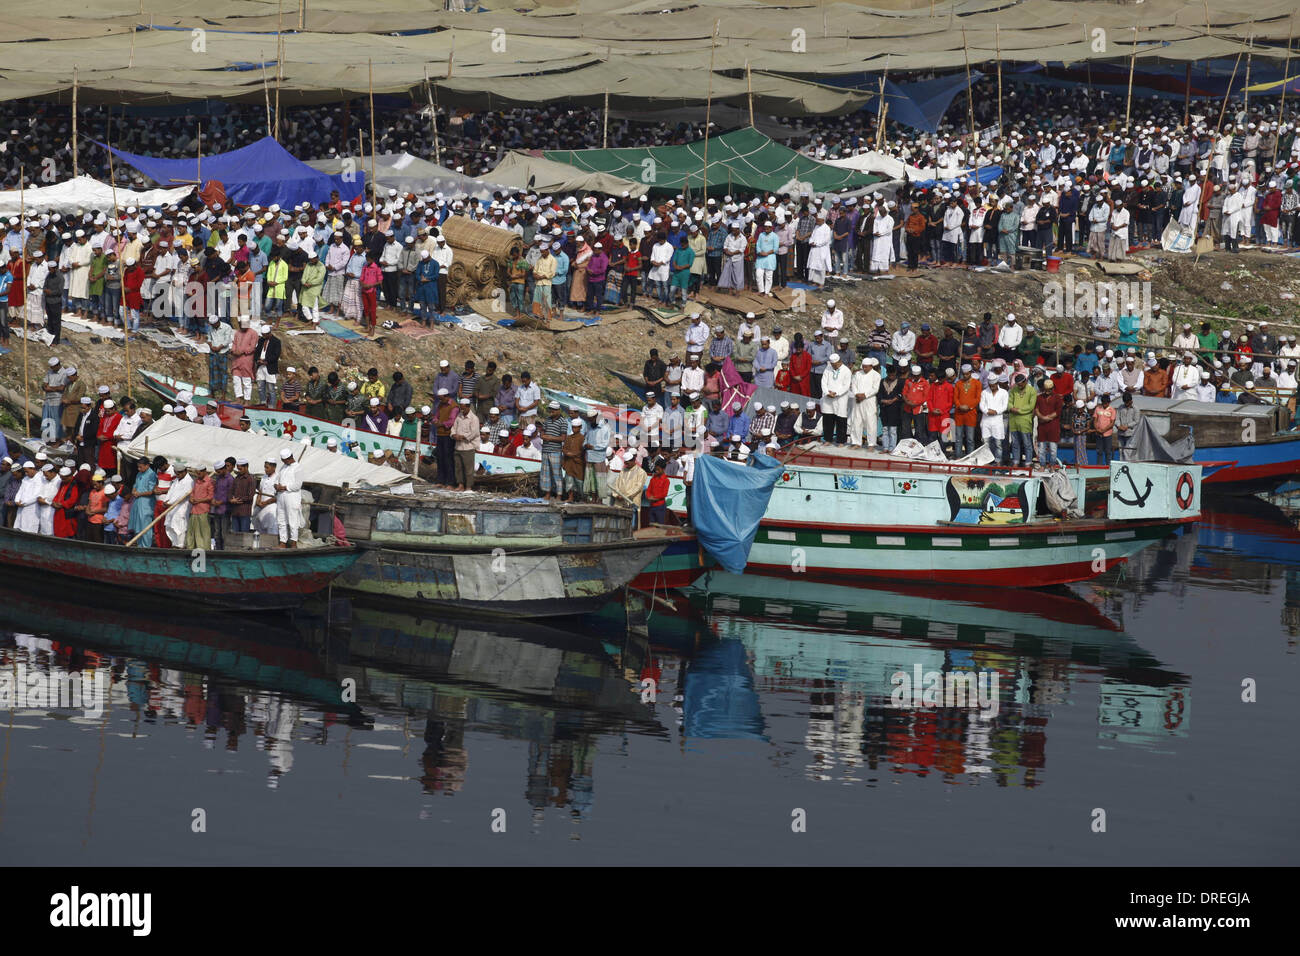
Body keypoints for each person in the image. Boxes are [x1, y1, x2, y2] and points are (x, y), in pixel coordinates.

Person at [820, 353, 852, 445]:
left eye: (834, 365)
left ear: (839, 362)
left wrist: (836, 393)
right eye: (832, 365)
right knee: (828, 419)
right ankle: (828, 439)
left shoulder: (846, 371)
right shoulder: (828, 368)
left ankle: (841, 441)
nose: (833, 366)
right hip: (828, 397)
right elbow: (823, 381)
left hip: (840, 398)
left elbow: (846, 386)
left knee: (841, 420)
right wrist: (827, 392)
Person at [274, 449, 303, 548]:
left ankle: (293, 542)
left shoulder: (297, 467)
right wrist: (276, 486)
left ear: (290, 458)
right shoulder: (283, 467)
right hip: (281, 496)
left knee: (292, 520)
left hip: (292, 497)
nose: (284, 462)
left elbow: (298, 485)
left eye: (285, 460)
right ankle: (283, 541)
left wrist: (284, 487)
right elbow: (277, 479)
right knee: (281, 519)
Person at [1092, 394, 1117, 464]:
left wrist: (1103, 430)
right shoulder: (1098, 408)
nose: (1104, 405)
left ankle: (1108, 466)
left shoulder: (1112, 410)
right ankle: (1099, 466)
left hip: (1107, 434)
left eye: (1106, 403)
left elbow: (1112, 423)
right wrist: (1097, 429)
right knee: (1099, 451)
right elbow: (1095, 420)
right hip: (1098, 433)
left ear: (1109, 402)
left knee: (1108, 451)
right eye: (1103, 403)